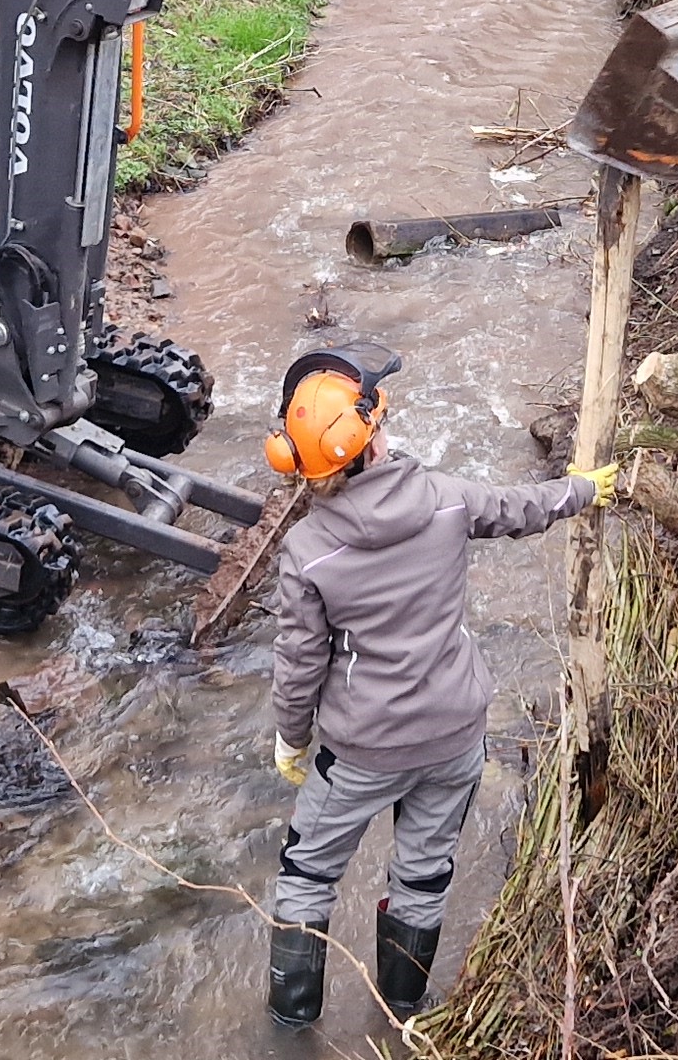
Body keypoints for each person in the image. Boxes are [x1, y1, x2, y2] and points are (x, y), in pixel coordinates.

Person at [259, 341, 618, 1027]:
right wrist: (585, 489)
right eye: (380, 423)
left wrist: (291, 742)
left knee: (307, 877)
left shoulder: (308, 552)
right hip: (455, 738)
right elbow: (522, 508)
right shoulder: (447, 499)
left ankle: (291, 1026)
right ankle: (400, 1015)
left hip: (362, 750)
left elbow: (299, 666)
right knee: (422, 877)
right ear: (369, 444)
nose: (388, 432)